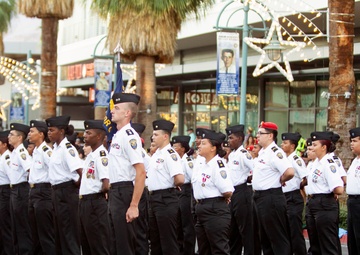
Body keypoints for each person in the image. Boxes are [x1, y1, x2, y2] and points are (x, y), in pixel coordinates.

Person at [108, 93, 146, 255]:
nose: (112, 111)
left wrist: (134, 205)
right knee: (115, 242)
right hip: (115, 191)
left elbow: (141, 171)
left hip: (125, 191)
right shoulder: (118, 135)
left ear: (127, 113)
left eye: (117, 108)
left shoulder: (130, 136)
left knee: (125, 244)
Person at [252, 121, 294, 255]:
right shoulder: (263, 152)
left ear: (270, 136)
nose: (257, 136)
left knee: (277, 238)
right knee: (265, 238)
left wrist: (281, 180)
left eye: (261, 133)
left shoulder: (275, 152)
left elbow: (290, 171)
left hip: (271, 197)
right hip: (260, 198)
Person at [192, 129, 234, 254]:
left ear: (213, 148)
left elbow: (227, 190)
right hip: (201, 208)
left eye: (204, 143)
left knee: (219, 249)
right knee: (203, 250)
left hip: (214, 209)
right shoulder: (202, 164)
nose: (199, 145)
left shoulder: (218, 165)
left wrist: (223, 197)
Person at [46, 115, 83, 255]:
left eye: (51, 130)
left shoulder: (68, 149)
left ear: (61, 131)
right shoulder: (56, 148)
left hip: (66, 192)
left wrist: (72, 187)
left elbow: (81, 172)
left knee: (69, 235)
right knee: (59, 234)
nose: (49, 133)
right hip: (56, 192)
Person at [147, 119, 184, 255]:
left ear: (165, 136)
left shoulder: (170, 154)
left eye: (156, 134)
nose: (153, 137)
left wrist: (171, 186)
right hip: (154, 199)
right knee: (155, 241)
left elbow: (179, 178)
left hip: (165, 198)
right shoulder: (156, 154)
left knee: (168, 240)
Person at [306, 131, 344, 255]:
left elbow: (339, 188)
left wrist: (331, 192)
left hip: (324, 204)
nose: (312, 147)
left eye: (315, 145)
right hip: (313, 203)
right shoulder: (316, 163)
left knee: (328, 245)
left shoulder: (328, 163)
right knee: (315, 244)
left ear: (324, 147)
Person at [79, 120, 110, 255]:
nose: (85, 135)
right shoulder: (91, 155)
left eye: (88, 133)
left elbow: (106, 183)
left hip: (94, 202)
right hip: (85, 202)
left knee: (98, 244)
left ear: (98, 136)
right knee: (87, 244)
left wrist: (99, 195)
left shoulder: (101, 156)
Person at [226, 124, 256, 255]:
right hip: (232, 194)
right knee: (233, 230)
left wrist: (250, 178)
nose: (228, 140)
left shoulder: (244, 154)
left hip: (242, 193)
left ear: (239, 138)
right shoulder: (232, 155)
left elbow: (256, 169)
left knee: (246, 230)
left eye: (231, 137)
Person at [28, 120, 56, 254]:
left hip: (43, 192)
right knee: (35, 234)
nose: (29, 134)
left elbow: (54, 169)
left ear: (41, 134)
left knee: (45, 234)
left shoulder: (46, 151)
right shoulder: (36, 151)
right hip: (33, 192)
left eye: (32, 131)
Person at [8, 123, 33, 255]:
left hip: (21, 190)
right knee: (15, 226)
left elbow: (30, 169)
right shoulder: (14, 152)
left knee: (22, 226)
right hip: (14, 190)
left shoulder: (21, 151)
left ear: (19, 138)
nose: (9, 137)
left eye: (12, 134)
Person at [280, 132, 307, 255]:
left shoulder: (296, 159)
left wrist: (297, 186)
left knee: (295, 232)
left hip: (293, 197)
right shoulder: (283, 159)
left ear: (292, 146)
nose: (282, 144)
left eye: (285, 143)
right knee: (285, 231)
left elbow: (305, 178)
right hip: (283, 197)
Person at [171, 135, 196, 255]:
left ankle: (188, 251)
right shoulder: (175, 160)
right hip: (177, 192)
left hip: (186, 192)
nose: (173, 148)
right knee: (178, 224)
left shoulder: (188, 161)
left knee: (187, 225)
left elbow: (193, 179)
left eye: (176, 146)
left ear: (183, 148)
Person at [131, 122, 150, 255]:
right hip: (129, 191)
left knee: (139, 230)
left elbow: (145, 173)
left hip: (139, 192)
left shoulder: (141, 153)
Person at [0, 131, 15, 254]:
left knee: (5, 226)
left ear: (4, 144)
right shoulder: (2, 157)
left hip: (5, 192)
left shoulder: (7, 158)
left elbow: (12, 177)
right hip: (2, 192)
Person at [347, 127, 360, 255]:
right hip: (352, 202)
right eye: (351, 141)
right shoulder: (355, 161)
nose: (351, 144)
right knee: (353, 240)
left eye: (355, 141)